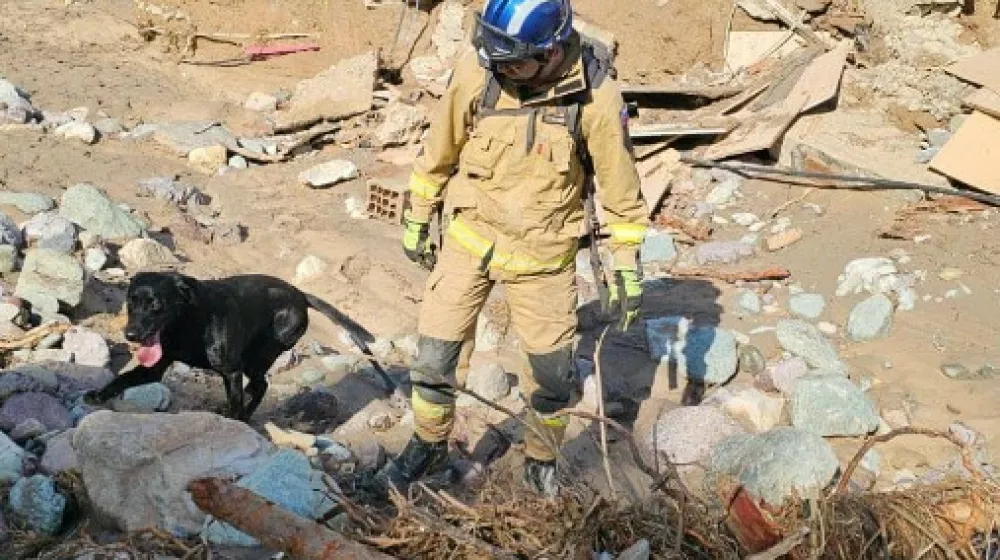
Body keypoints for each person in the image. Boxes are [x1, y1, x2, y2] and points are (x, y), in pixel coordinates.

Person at [382, 0, 649, 498]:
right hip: (471, 238)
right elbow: (439, 148)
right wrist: (418, 214)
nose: (501, 70)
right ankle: (428, 444)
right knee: (435, 356)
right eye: (495, 58)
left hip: (543, 257)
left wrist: (627, 266)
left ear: (550, 53)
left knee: (551, 378)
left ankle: (540, 461)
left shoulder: (595, 97)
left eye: (515, 63)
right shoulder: (480, 69)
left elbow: (621, 191)